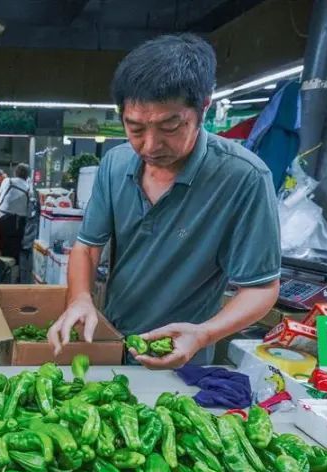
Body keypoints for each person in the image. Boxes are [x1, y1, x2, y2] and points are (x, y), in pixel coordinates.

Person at [48, 34, 281, 368]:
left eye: (170, 125)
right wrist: (80, 299)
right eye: (135, 127)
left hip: (185, 358)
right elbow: (87, 247)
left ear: (203, 107)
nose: (150, 145)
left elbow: (261, 288)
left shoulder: (243, 178)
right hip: (112, 339)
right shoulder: (114, 165)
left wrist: (204, 334)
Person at [0, 163, 35, 271]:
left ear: (15, 172)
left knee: (0, 246)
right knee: (15, 251)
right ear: (27, 176)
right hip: (19, 223)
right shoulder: (28, 189)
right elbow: (29, 210)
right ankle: (13, 275)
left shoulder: (8, 181)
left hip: (4, 218)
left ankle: (0, 272)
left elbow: (0, 195)